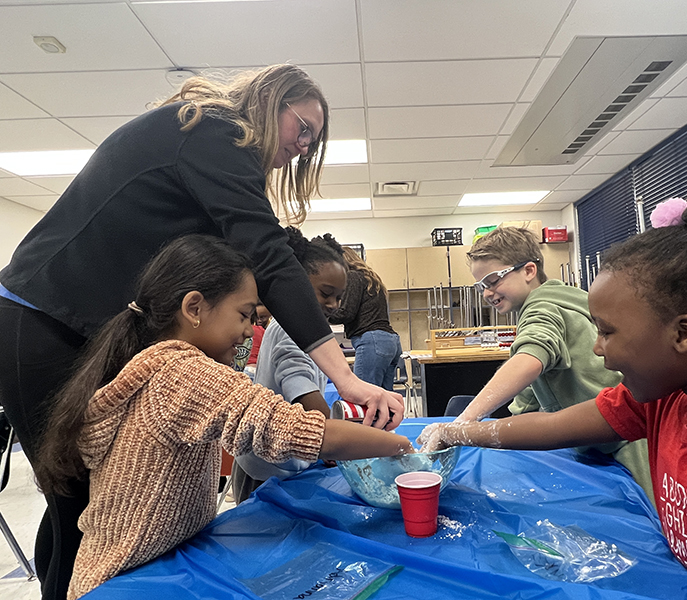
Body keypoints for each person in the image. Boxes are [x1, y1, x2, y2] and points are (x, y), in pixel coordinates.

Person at [0, 65, 403, 600]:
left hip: (76, 322)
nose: (305, 147)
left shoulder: (211, 160)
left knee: (76, 503)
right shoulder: (213, 132)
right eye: (302, 127)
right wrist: (346, 380)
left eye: (315, 138)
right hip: (41, 314)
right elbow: (269, 256)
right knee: (80, 502)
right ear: (269, 100)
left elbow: (263, 250)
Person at [418, 184, 687, 600]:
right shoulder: (660, 401)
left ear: (685, 333)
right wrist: (456, 432)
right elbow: (555, 427)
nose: (597, 348)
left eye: (608, 333)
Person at [33, 235, 412, 600]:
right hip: (124, 582)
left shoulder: (163, 365)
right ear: (194, 308)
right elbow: (301, 431)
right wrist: (401, 446)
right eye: (244, 315)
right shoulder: (182, 372)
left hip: (150, 568)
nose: (250, 329)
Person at [453, 226, 651, 500]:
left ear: (529, 271)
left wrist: (463, 422)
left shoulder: (542, 307)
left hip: (624, 445)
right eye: (481, 286)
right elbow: (531, 392)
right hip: (608, 436)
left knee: (657, 524)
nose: (487, 293)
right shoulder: (565, 298)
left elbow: (530, 360)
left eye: (493, 280)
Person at [233, 227, 346, 503]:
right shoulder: (289, 327)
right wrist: (339, 442)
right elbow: (299, 384)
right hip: (266, 470)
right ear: (296, 284)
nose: (333, 304)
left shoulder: (304, 328)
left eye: (339, 297)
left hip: (282, 460)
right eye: (325, 293)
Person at [328, 247, 402, 391]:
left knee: (364, 397)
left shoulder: (353, 276)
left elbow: (347, 313)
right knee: (385, 401)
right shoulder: (372, 280)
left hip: (373, 341)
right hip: (391, 341)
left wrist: (323, 315)